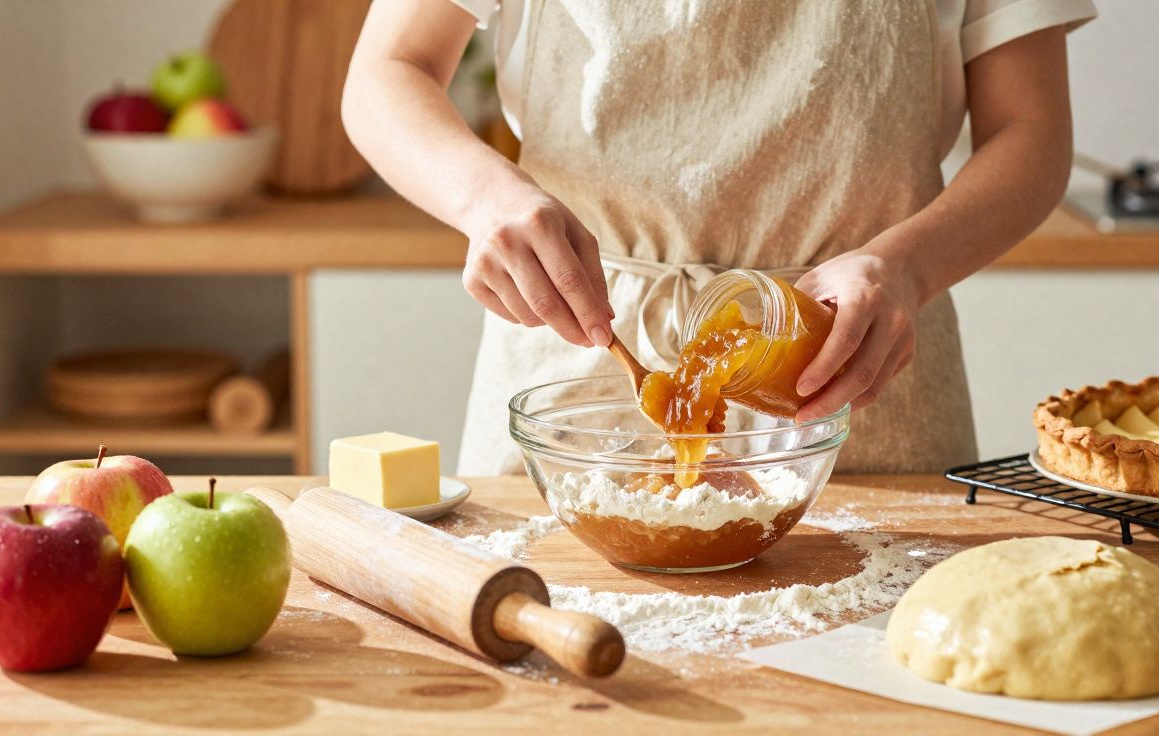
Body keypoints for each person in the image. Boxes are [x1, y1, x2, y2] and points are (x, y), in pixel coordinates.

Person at [342, 0, 1097, 475]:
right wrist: (485, 199)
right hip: (577, 368)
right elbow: (387, 70)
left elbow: (1030, 130)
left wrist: (907, 267)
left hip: (854, 366)